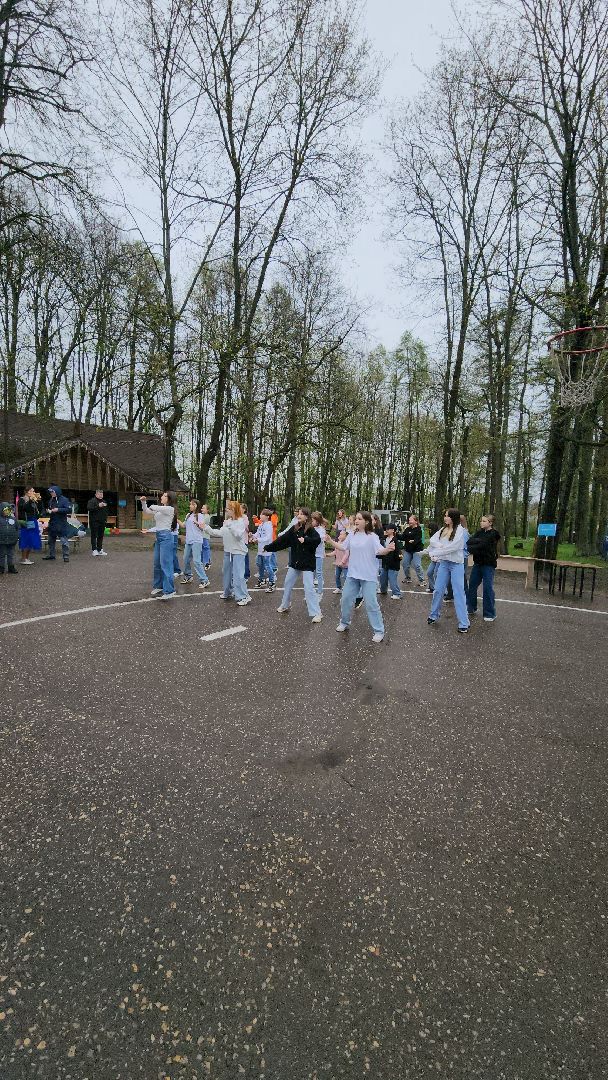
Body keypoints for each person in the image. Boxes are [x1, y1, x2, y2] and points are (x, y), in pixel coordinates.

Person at [325, 511, 395, 643]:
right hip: (353, 575)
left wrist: (388, 549)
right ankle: (344, 622)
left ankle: (379, 630)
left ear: (366, 522)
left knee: (371, 604)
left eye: (359, 519)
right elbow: (343, 547)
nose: (356, 521)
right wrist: (330, 541)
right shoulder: (352, 535)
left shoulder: (372, 536)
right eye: (355, 518)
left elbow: (380, 551)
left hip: (368, 576)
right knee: (345, 599)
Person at [263, 507, 323, 622]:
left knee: (309, 587)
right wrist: (269, 547)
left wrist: (306, 540)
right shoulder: (294, 528)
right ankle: (285, 605)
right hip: (295, 563)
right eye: (298, 513)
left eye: (301, 514)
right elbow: (283, 540)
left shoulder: (310, 529)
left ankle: (317, 613)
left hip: (307, 564)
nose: (298, 515)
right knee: (288, 583)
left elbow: (317, 540)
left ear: (306, 516)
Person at [424, 509, 470, 634]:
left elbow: (454, 547)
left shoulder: (461, 531)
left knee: (458, 592)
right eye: (444, 516)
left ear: (453, 517)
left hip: (456, 565)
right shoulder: (443, 530)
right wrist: (439, 547)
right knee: (438, 589)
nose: (445, 518)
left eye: (447, 516)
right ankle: (433, 615)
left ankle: (464, 623)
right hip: (444, 564)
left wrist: (435, 552)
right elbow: (433, 540)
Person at [202, 500, 251, 606]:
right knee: (226, 573)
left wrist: (230, 526)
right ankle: (228, 592)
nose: (226, 510)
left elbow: (238, 536)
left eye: (228, 508)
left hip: (238, 552)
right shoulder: (228, 521)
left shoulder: (240, 521)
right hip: (228, 551)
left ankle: (243, 596)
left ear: (234, 510)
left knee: (238, 575)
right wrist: (205, 527)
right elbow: (219, 533)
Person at [139, 492, 178, 600]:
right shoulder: (161, 509)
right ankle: (159, 586)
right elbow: (147, 511)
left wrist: (150, 505)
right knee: (157, 563)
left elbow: (152, 507)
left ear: (169, 498)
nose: (162, 497)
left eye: (164, 496)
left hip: (166, 537)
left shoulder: (170, 509)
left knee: (165, 564)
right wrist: (143, 502)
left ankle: (170, 590)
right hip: (159, 536)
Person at [467, 514, 501, 622]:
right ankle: (471, 607)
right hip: (477, 564)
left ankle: (490, 613)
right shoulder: (479, 532)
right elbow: (469, 542)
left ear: (490, 523)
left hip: (488, 565)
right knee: (472, 585)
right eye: (481, 521)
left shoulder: (494, 534)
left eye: (484, 521)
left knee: (487, 588)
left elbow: (484, 545)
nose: (481, 523)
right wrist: (478, 542)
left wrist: (478, 543)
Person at [180, 499, 211, 589]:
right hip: (189, 540)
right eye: (190, 504)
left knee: (197, 561)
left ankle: (205, 580)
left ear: (195, 506)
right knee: (185, 559)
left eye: (191, 504)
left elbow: (202, 528)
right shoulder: (188, 515)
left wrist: (198, 524)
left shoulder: (200, 516)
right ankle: (188, 576)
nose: (190, 506)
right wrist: (176, 518)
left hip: (197, 540)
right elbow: (183, 525)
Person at [43, 485, 72, 562]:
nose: (51, 493)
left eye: (52, 492)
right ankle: (51, 555)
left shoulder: (64, 500)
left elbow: (69, 509)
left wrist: (58, 509)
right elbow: (50, 509)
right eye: (50, 492)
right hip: (52, 523)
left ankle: (66, 556)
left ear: (57, 492)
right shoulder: (51, 500)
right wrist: (48, 511)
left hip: (61, 524)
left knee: (64, 541)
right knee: (50, 541)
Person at [250, 509, 275, 591]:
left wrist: (258, 540)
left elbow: (268, 537)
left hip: (266, 549)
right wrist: (252, 535)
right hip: (260, 549)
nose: (260, 516)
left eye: (262, 514)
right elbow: (258, 534)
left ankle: (272, 583)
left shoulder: (268, 525)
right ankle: (261, 580)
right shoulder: (261, 524)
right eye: (260, 514)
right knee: (260, 565)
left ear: (267, 517)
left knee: (268, 566)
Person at [377, 521, 402, 599]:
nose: (386, 530)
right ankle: (383, 590)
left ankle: (397, 594)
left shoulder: (395, 540)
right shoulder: (384, 539)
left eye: (388, 529)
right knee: (382, 578)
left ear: (393, 531)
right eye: (386, 529)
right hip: (385, 564)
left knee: (392, 580)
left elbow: (398, 552)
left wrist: (399, 557)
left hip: (393, 565)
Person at [17, 487, 42, 565]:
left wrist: (39, 501)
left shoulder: (33, 500)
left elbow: (37, 510)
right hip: (26, 521)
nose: (33, 492)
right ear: (27, 492)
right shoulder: (22, 499)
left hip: (33, 521)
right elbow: (23, 508)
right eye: (31, 491)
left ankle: (26, 558)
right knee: (26, 539)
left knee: (31, 540)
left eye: (33, 491)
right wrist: (30, 501)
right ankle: (23, 558)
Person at [400, 514, 426, 587]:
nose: (409, 521)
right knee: (405, 564)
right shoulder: (407, 529)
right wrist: (396, 534)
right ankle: (408, 578)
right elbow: (403, 537)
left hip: (417, 550)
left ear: (416, 521)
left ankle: (422, 580)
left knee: (417, 565)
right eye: (409, 520)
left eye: (411, 520)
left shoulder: (419, 530)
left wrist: (413, 541)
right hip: (408, 550)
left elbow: (418, 539)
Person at [87, 488, 109, 557]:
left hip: (102, 522)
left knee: (101, 536)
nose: (100, 495)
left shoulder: (104, 501)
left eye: (102, 494)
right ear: (96, 494)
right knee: (94, 536)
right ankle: (94, 550)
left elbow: (106, 511)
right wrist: (98, 506)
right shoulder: (92, 501)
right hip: (94, 521)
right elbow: (89, 508)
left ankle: (100, 549)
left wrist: (105, 519)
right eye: (99, 494)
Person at [311, 511, 328, 598]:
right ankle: (312, 591)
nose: (311, 522)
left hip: (319, 554)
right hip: (312, 554)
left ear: (317, 521)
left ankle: (320, 592)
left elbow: (320, 540)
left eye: (313, 520)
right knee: (312, 573)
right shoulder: (311, 528)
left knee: (318, 573)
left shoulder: (321, 530)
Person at [0, 501, 19, 574]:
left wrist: (16, 536)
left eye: (8, 510)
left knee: (11, 554)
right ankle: (1, 567)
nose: (7, 512)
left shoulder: (13, 519)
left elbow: (17, 528)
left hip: (12, 540)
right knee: (1, 555)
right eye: (5, 510)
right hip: (1, 540)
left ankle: (11, 567)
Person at [200, 503, 212, 568]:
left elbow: (202, 523)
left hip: (205, 535)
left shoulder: (207, 516)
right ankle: (202, 561)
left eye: (203, 508)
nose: (202, 509)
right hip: (201, 535)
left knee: (206, 548)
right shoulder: (201, 515)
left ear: (207, 510)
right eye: (202, 508)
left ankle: (207, 561)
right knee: (202, 548)